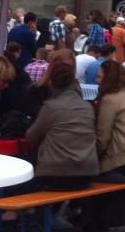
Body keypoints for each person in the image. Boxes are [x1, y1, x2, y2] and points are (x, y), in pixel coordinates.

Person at [24, 60, 99, 190]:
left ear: (51, 83)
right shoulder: (87, 106)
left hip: (56, 173)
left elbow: (31, 138)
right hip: (87, 172)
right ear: (73, 81)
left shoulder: (51, 107)